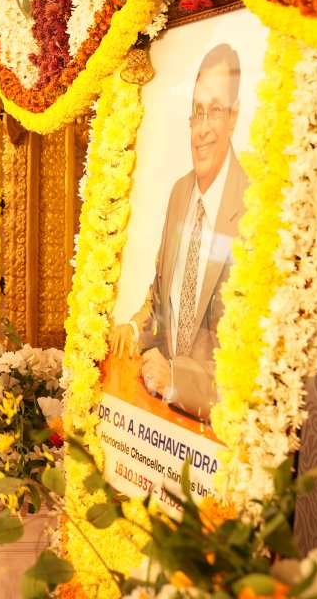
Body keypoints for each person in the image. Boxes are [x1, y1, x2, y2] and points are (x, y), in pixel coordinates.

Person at [110, 43, 249, 422]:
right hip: (159, 416)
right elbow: (161, 297)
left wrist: (179, 382)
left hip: (216, 428)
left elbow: (250, 356)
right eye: (196, 112)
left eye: (215, 111)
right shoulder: (180, 192)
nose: (202, 129)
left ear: (234, 116)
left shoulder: (255, 207)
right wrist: (133, 330)